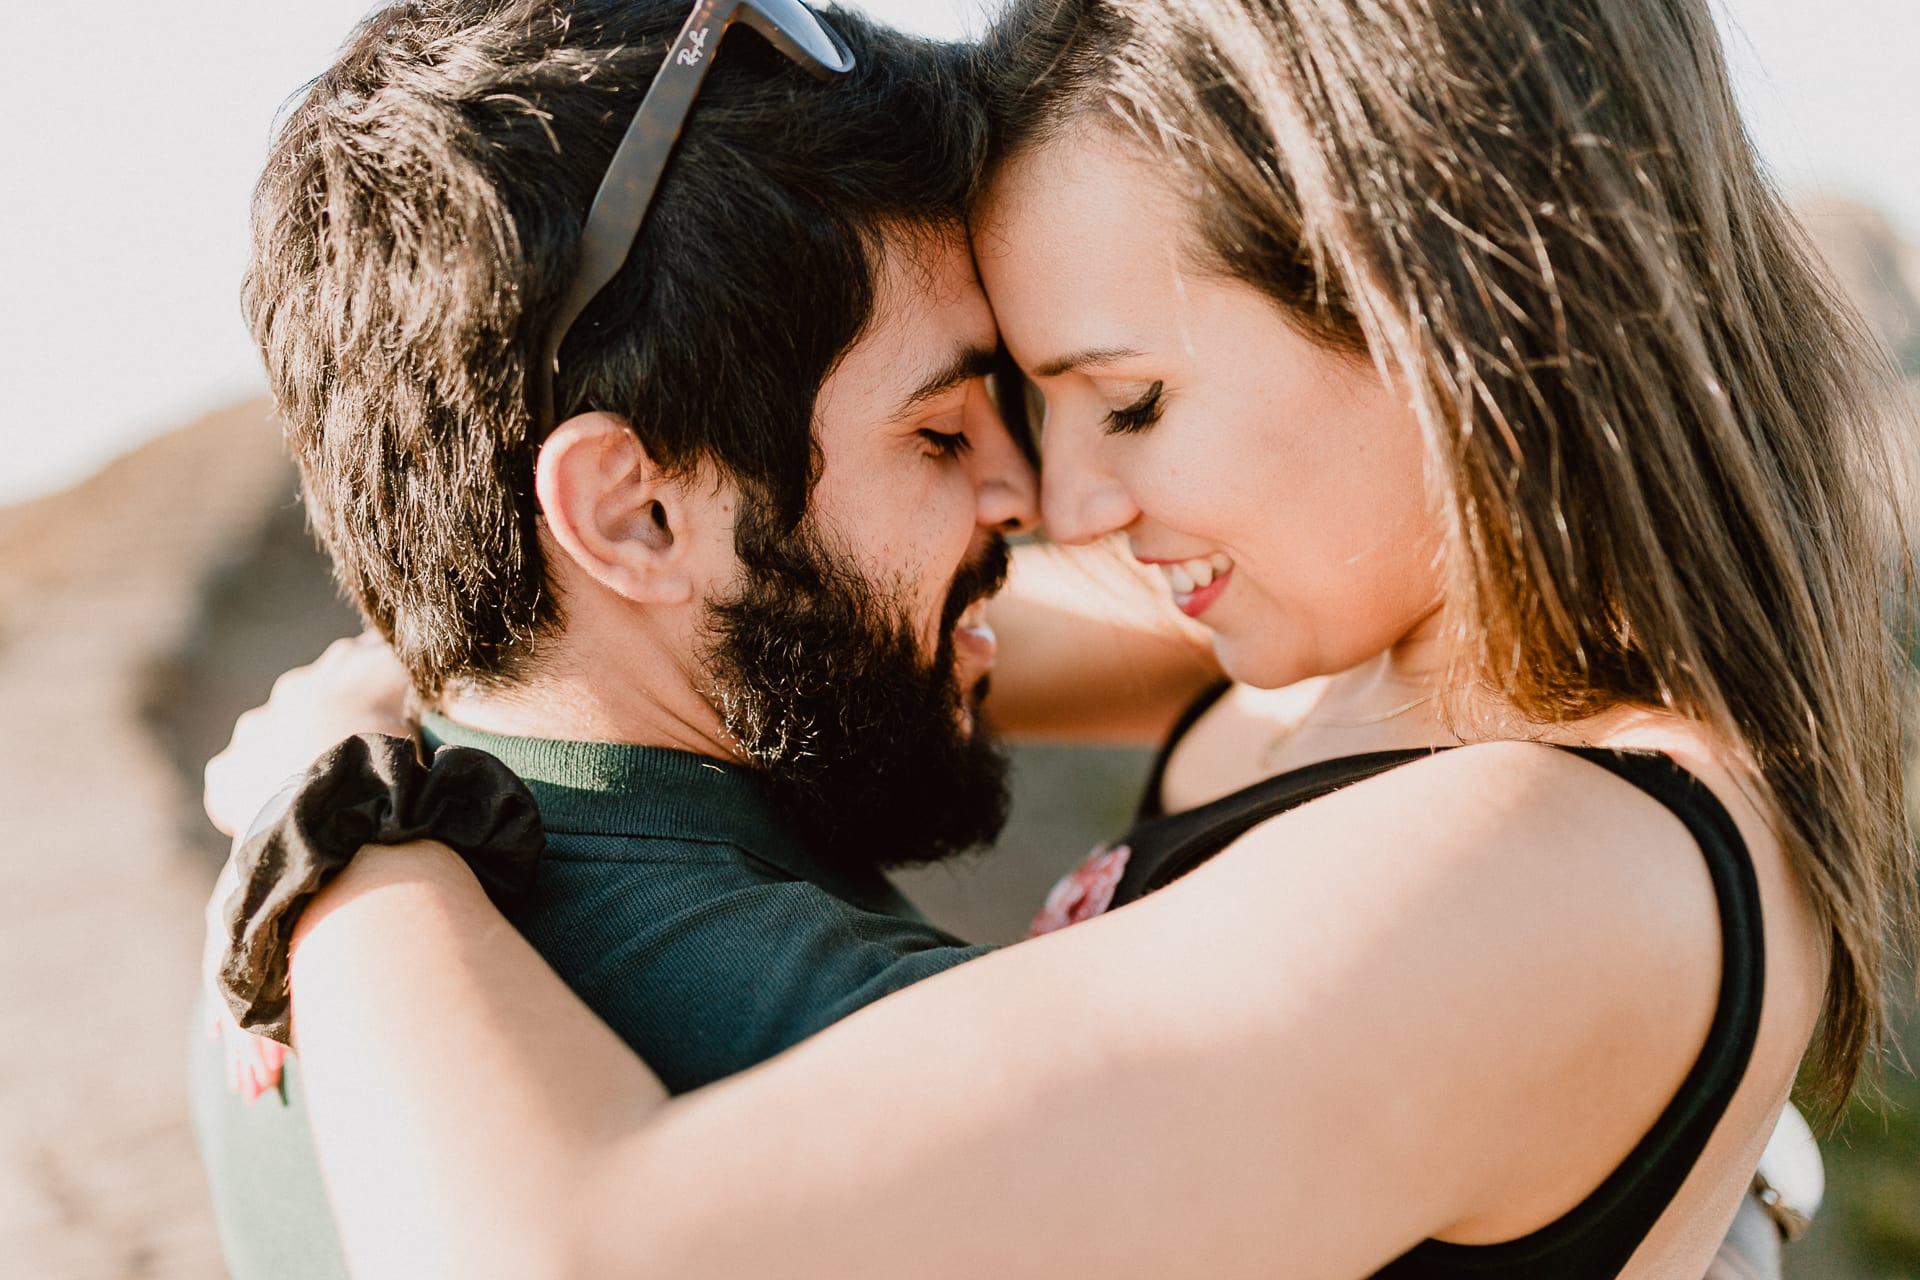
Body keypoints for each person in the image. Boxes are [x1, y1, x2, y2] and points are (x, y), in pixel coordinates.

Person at [212, 0, 1914, 1275]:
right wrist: (407, 710)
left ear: (1450, 311)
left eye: (1129, 399)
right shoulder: (1350, 673)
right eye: (986, 420)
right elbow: (822, 614)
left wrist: (351, 833)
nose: (1062, 503)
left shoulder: (1536, 866)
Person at [185, 2, 1209, 1275]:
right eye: (942, 433)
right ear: (636, 511)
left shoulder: (318, 910)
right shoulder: (871, 1044)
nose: (1031, 498)